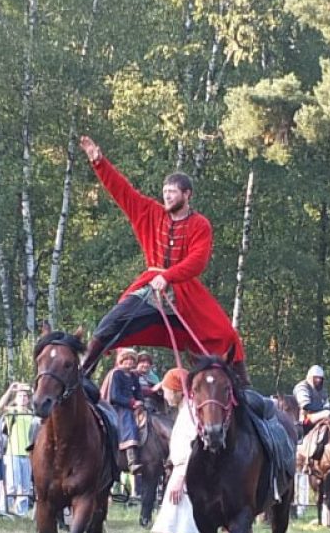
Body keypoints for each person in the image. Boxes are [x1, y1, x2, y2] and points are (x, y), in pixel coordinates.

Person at [77, 136, 249, 387]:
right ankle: (83, 374)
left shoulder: (200, 224)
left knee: (225, 335)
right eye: (165, 192)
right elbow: (122, 191)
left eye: (173, 192)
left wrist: (168, 276)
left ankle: (243, 390)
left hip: (185, 292)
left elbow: (197, 261)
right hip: (150, 287)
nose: (167, 196)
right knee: (110, 323)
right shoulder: (150, 212)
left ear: (187, 194)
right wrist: (99, 162)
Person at [151, 367, 208, 533]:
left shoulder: (191, 414)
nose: (163, 395)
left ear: (177, 390)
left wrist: (179, 477)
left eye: (165, 390)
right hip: (192, 480)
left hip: (185, 480)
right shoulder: (191, 411)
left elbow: (193, 448)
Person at [0, 381, 36, 516]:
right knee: (12, 485)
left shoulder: (32, 413)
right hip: (13, 452)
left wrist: (33, 389)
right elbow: (0, 406)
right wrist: (10, 390)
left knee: (25, 486)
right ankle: (4, 510)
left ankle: (21, 512)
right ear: (16, 398)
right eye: (20, 396)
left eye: (25, 396)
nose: (23, 398)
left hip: (28, 454)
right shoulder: (12, 411)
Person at [105, 348, 144, 474]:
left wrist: (140, 402)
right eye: (126, 359)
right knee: (128, 422)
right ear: (121, 360)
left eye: (132, 359)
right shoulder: (117, 374)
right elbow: (114, 396)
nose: (129, 361)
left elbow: (138, 392)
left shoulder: (133, 376)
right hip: (120, 407)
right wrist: (132, 403)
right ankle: (131, 460)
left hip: (135, 406)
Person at [293, 365, 330, 433]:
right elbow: (306, 405)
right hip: (305, 418)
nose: (318, 380)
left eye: (320, 378)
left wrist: (326, 407)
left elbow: (327, 404)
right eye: (316, 378)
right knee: (327, 414)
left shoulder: (322, 390)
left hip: (318, 416)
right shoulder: (302, 386)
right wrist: (322, 409)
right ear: (310, 377)